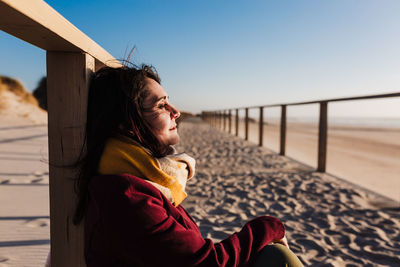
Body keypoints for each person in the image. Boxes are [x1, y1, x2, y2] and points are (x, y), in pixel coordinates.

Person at [73, 63, 304, 267]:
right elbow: (207, 262)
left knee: (273, 256)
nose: (176, 112)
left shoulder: (140, 179)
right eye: (161, 105)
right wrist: (270, 226)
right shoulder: (126, 196)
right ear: (127, 124)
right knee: (277, 258)